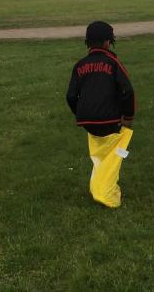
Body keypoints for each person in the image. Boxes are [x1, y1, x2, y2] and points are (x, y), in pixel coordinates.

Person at [66, 21, 135, 208]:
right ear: (107, 42)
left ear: (88, 42)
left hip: (87, 121)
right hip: (111, 120)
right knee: (112, 156)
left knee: (101, 154)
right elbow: (127, 91)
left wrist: (80, 113)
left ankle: (99, 184)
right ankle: (106, 193)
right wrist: (128, 117)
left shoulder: (79, 65)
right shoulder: (113, 63)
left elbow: (71, 96)